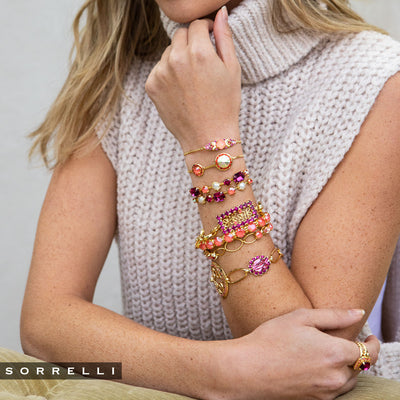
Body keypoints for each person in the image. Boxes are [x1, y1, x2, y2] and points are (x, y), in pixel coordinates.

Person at [17, 0, 400, 399]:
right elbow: (45, 322)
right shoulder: (117, 76)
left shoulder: (374, 80)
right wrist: (218, 372)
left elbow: (309, 362)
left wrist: (210, 144)